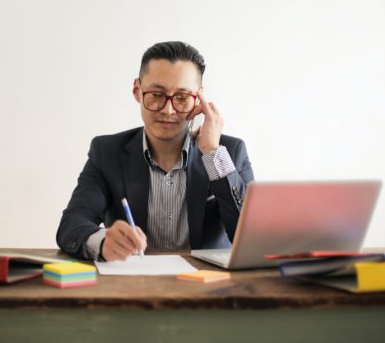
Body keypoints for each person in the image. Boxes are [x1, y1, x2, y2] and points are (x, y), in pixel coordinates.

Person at [56, 41, 254, 261]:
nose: (168, 110)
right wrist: (102, 241)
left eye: (181, 98)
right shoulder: (107, 152)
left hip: (207, 288)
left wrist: (213, 153)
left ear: (198, 99)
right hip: (134, 287)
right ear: (137, 91)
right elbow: (71, 224)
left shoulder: (230, 152)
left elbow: (251, 239)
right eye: (156, 95)